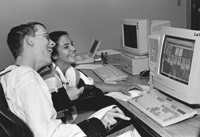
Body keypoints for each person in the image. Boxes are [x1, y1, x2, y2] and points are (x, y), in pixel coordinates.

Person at [0, 22, 136, 137]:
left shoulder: (8, 75)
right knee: (122, 119)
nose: (52, 43)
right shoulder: (26, 76)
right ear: (29, 40)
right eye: (46, 37)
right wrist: (99, 124)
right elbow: (50, 134)